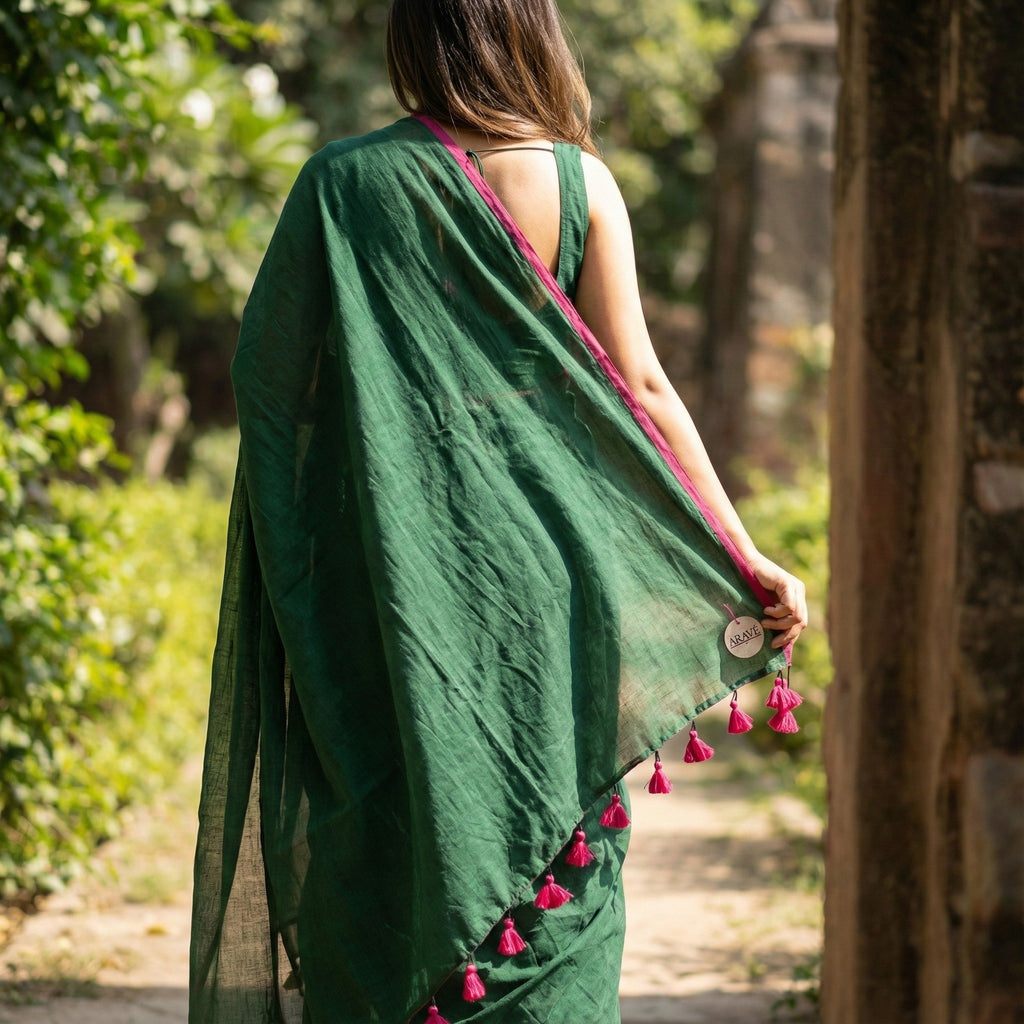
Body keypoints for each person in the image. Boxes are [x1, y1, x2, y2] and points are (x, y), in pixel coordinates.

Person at [188, 1, 807, 1022]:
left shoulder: (343, 186)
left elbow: (271, 389)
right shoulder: (580, 183)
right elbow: (642, 388)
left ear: (414, 37)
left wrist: (338, 530)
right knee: (554, 855)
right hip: (552, 585)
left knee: (381, 836)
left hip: (391, 577)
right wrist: (742, 553)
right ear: (532, 34)